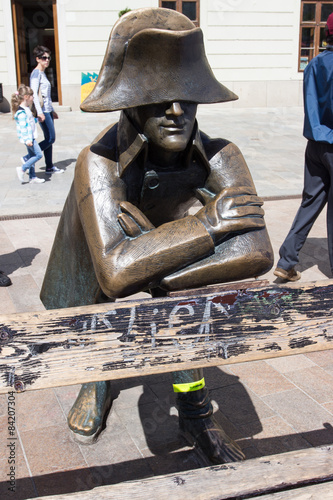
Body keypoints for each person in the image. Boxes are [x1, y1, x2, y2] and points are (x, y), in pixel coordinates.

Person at [40, 8, 273, 464]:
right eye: (159, 96)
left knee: (188, 311)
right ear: (130, 101)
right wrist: (208, 225)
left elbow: (257, 251)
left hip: (157, 254)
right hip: (92, 252)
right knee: (94, 303)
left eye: (188, 96)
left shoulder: (222, 155)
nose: (176, 110)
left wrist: (153, 267)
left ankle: (194, 406)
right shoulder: (99, 162)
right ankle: (98, 377)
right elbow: (112, 273)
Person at [274, 13, 333, 281]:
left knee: (310, 202)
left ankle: (287, 261)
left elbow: (313, 106)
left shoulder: (314, 64)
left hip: (314, 145)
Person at [30, 45, 64, 175]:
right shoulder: (36, 74)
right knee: (51, 139)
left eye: (49, 58)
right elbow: (33, 95)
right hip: (42, 111)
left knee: (49, 139)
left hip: (47, 110)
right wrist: (39, 112)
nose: (47, 60)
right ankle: (30, 157)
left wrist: (52, 110)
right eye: (44, 58)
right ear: (38, 59)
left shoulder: (42, 73)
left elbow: (46, 96)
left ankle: (49, 167)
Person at [11, 84, 45, 184]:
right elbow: (23, 128)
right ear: (26, 97)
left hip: (31, 137)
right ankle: (22, 168)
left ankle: (32, 177)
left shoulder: (26, 109)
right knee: (38, 155)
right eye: (32, 96)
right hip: (29, 138)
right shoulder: (21, 112)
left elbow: (29, 121)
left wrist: (36, 119)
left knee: (32, 156)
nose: (33, 98)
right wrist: (28, 140)